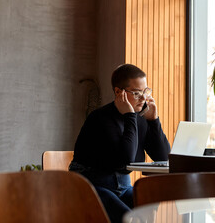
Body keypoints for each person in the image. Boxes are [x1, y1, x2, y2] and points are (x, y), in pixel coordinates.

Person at [69, 64, 170, 223]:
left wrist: (154, 121)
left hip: (122, 188)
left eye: (145, 92)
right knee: (128, 218)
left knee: (148, 206)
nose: (143, 98)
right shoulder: (100, 118)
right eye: (137, 93)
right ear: (118, 92)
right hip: (90, 186)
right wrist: (130, 115)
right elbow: (126, 158)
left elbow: (163, 156)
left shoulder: (140, 118)